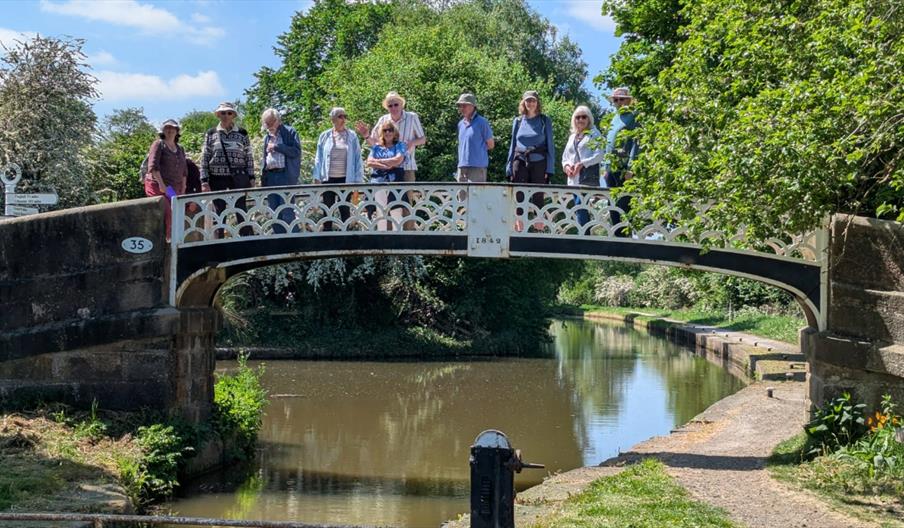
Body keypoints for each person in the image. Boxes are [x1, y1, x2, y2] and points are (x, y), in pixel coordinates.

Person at [355, 91, 425, 230]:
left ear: (401, 104)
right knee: (382, 205)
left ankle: (406, 239)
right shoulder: (383, 120)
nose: (393, 107)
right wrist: (366, 135)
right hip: (383, 172)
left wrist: (411, 143)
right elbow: (375, 143)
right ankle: (386, 237)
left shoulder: (412, 117)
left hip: (406, 166)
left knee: (404, 204)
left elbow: (422, 139)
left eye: (396, 104)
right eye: (390, 105)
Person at [200, 101, 255, 238]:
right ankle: (219, 243)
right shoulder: (211, 133)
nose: (226, 115)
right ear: (218, 115)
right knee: (219, 210)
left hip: (238, 177)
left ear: (233, 115)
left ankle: (247, 240)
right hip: (217, 177)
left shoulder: (242, 133)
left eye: (229, 113)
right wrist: (204, 180)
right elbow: (205, 156)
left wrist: (252, 177)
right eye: (223, 113)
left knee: (241, 209)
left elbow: (248, 156)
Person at [506, 90, 555, 231]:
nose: (530, 103)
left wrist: (549, 168)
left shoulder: (545, 121)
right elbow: (512, 145)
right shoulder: (518, 121)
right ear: (523, 102)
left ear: (537, 102)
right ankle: (519, 230)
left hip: (539, 162)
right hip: (519, 161)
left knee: (538, 196)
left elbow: (550, 146)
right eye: (528, 100)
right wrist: (508, 166)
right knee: (519, 195)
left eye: (533, 100)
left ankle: (538, 230)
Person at [314, 107, 365, 231]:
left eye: (345, 116)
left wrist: (358, 181)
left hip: (346, 178)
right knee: (327, 209)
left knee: (344, 208)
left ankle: (346, 239)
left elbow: (358, 158)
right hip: (328, 178)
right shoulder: (324, 136)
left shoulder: (352, 136)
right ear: (333, 119)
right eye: (340, 116)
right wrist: (316, 177)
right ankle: (327, 238)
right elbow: (318, 157)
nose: (343, 119)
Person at [602, 87, 639, 238]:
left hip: (625, 169)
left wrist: (631, 167)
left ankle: (625, 238)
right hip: (612, 168)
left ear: (629, 100)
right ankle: (617, 237)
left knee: (624, 203)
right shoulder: (614, 117)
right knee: (613, 204)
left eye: (621, 99)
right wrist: (605, 168)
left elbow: (637, 143)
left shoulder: (634, 116)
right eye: (615, 100)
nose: (618, 102)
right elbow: (608, 144)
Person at [562, 105, 605, 230]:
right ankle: (583, 233)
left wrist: (583, 164)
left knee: (581, 206)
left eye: (583, 117)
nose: (580, 119)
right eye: (577, 117)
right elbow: (565, 157)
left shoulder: (594, 134)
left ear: (589, 119)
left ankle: (584, 235)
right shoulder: (572, 137)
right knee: (577, 207)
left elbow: (600, 155)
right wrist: (567, 166)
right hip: (574, 178)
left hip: (587, 177)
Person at [144, 119, 187, 241]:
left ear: (177, 131)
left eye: (172, 128)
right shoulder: (158, 144)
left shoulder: (180, 149)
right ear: (162, 130)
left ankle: (176, 241)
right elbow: (153, 167)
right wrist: (161, 185)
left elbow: (184, 171)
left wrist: (183, 188)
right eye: (167, 128)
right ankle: (168, 242)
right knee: (168, 211)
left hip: (173, 188)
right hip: (158, 186)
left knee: (177, 212)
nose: (169, 130)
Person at [260, 108, 302, 234]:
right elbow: (264, 158)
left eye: (271, 123)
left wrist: (277, 147)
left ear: (278, 120)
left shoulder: (290, 132)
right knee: (274, 213)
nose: (269, 126)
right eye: (266, 123)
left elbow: (296, 152)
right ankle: (280, 242)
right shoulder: (267, 137)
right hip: (271, 177)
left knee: (287, 212)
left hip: (285, 175)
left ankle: (294, 243)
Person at [366, 121, 408, 231]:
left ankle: (398, 239)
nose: (388, 132)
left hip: (396, 180)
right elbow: (369, 162)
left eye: (390, 130)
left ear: (395, 132)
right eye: (385, 130)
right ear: (381, 133)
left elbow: (398, 159)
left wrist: (379, 161)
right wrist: (386, 165)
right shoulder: (376, 148)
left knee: (396, 211)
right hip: (378, 180)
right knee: (380, 211)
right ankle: (382, 239)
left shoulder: (400, 145)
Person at [455, 93, 494, 184]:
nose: (462, 108)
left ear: (472, 106)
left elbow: (491, 144)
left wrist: (478, 150)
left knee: (476, 196)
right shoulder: (460, 124)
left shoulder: (482, 122)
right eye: (460, 106)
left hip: (477, 166)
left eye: (464, 105)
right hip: (462, 166)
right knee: (461, 197)